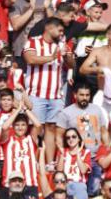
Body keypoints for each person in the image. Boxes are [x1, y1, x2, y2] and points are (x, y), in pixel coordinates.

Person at [22, 17, 74, 163]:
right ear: (50, 29)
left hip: (55, 95)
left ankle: (50, 163)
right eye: (60, 30)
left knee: (51, 128)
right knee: (36, 128)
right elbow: (31, 59)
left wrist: (67, 56)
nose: (62, 33)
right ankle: (32, 162)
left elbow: (71, 65)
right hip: (36, 94)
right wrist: (52, 57)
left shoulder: (62, 45)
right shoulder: (33, 42)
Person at [55, 82, 108, 196]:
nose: (85, 98)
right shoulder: (66, 113)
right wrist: (64, 155)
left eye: (87, 95)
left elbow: (104, 132)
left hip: (95, 158)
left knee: (94, 192)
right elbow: (58, 136)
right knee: (75, 193)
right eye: (82, 95)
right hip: (76, 159)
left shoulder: (97, 110)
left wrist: (107, 152)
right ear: (75, 95)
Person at [79, 24, 111, 131]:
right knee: (94, 127)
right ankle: (98, 148)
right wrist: (98, 69)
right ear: (108, 35)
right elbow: (83, 69)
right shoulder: (97, 51)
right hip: (101, 93)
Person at [56, 127, 91, 199]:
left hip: (79, 186)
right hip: (64, 186)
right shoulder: (62, 151)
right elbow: (59, 171)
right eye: (68, 137)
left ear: (79, 139)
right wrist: (61, 155)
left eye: (73, 136)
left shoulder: (86, 152)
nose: (71, 139)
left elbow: (83, 170)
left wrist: (78, 155)